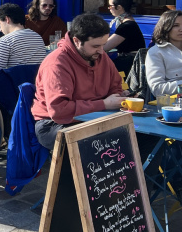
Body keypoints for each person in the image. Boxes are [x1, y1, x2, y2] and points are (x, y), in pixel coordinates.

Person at [32, 13, 128, 151]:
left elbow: (115, 86)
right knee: (106, 144)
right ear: (76, 41)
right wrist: (104, 104)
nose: (101, 51)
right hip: (54, 125)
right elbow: (59, 111)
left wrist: (119, 96)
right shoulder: (57, 63)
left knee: (144, 137)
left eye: (103, 45)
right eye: (95, 46)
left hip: (97, 116)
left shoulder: (101, 56)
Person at [0, 3, 47, 74]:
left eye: (0, 24)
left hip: (14, 82)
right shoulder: (37, 37)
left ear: (7, 19)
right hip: (34, 82)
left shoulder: (5, 40)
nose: (0, 29)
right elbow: (15, 60)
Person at [145, 10, 182, 97]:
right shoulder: (156, 52)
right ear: (166, 28)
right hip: (172, 105)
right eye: (176, 25)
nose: (181, 29)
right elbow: (157, 89)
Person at [103, 0, 146, 73]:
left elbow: (105, 46)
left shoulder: (127, 26)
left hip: (129, 66)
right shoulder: (128, 23)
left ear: (119, 7)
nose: (109, 8)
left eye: (110, 6)